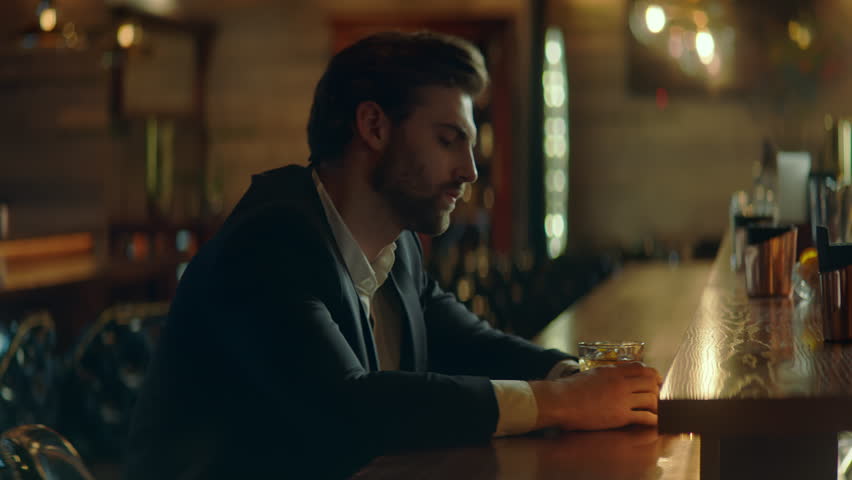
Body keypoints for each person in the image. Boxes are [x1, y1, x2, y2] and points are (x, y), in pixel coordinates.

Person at [124, 31, 661, 479]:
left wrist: (571, 374)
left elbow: (466, 343)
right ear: (374, 126)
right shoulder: (269, 242)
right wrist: (563, 404)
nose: (470, 171)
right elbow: (350, 407)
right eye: (449, 140)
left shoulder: (396, 246)